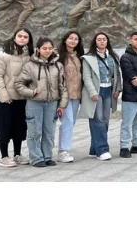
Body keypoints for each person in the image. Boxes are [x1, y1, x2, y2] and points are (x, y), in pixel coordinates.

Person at [14, 38, 68, 167]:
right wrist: (31, 92)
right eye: (44, 48)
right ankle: (36, 158)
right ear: (38, 49)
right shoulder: (30, 65)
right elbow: (18, 84)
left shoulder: (58, 65)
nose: (47, 51)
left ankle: (47, 156)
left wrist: (62, 104)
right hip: (35, 103)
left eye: (50, 48)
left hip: (52, 103)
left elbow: (63, 87)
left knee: (49, 132)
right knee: (35, 132)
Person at [0, 29, 34, 168]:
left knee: (19, 127)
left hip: (23, 98)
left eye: (25, 37)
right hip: (7, 99)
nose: (22, 38)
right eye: (20, 36)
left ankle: (17, 154)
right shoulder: (3, 55)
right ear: (14, 37)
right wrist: (4, 96)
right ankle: (4, 156)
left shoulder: (30, 55)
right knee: (5, 127)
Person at [80, 32, 122, 161]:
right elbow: (86, 77)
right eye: (99, 39)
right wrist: (93, 92)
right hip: (96, 92)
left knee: (105, 120)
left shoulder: (112, 57)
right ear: (95, 42)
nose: (102, 41)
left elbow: (117, 75)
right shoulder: (89, 58)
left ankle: (94, 148)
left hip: (108, 90)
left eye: (104, 39)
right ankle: (102, 149)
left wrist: (117, 89)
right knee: (97, 120)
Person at [57, 31, 84, 163]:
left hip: (76, 94)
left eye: (76, 39)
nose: (73, 41)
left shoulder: (79, 56)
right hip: (64, 95)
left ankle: (63, 149)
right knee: (67, 122)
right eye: (71, 38)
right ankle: (63, 151)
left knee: (70, 123)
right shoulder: (58, 56)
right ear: (65, 40)